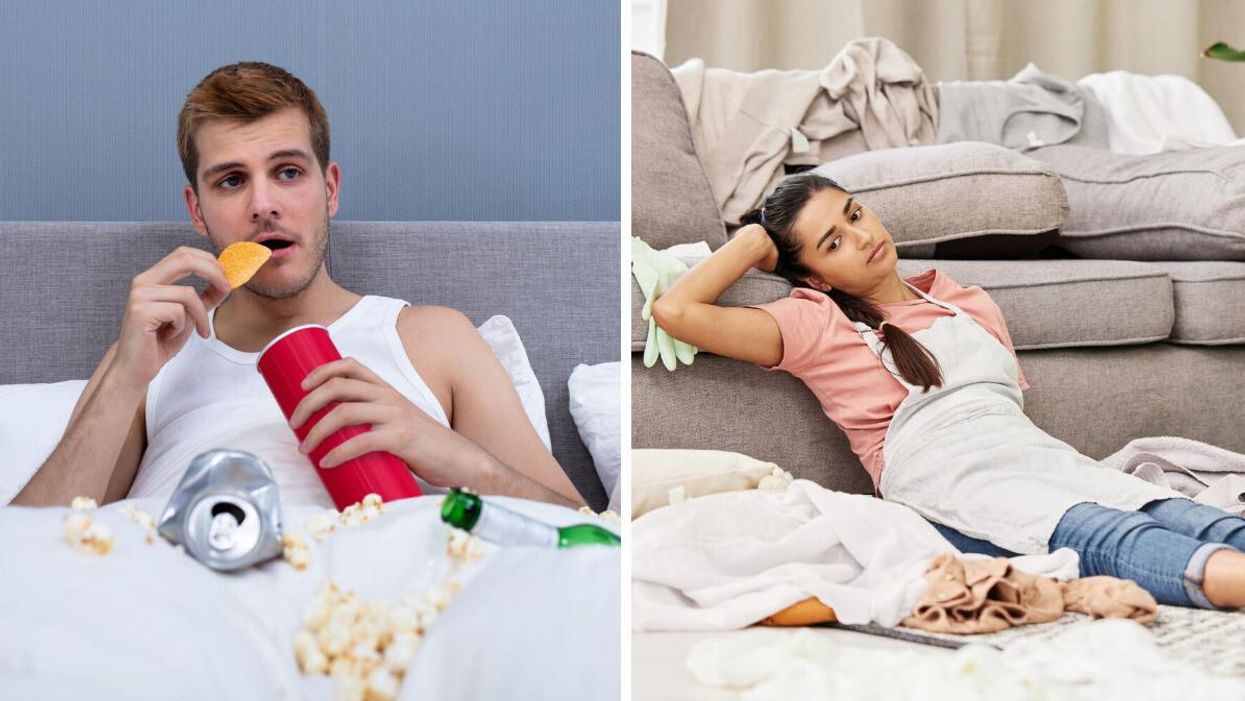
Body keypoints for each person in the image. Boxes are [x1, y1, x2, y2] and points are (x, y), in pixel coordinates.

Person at [650, 171, 1245, 610]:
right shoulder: (815, 322)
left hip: (1031, 457)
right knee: (1108, 536)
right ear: (814, 275)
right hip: (948, 487)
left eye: (854, 215)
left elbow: (1004, 414)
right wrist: (755, 242)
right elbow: (675, 310)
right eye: (831, 243)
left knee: (1176, 511)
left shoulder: (965, 300)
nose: (859, 238)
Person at [12, 62, 583, 509]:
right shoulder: (152, 361)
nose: (264, 206)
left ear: (329, 189)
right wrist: (121, 381)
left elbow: (593, 542)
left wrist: (450, 455)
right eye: (232, 181)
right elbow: (25, 558)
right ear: (198, 210)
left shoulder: (434, 339)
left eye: (288, 172)